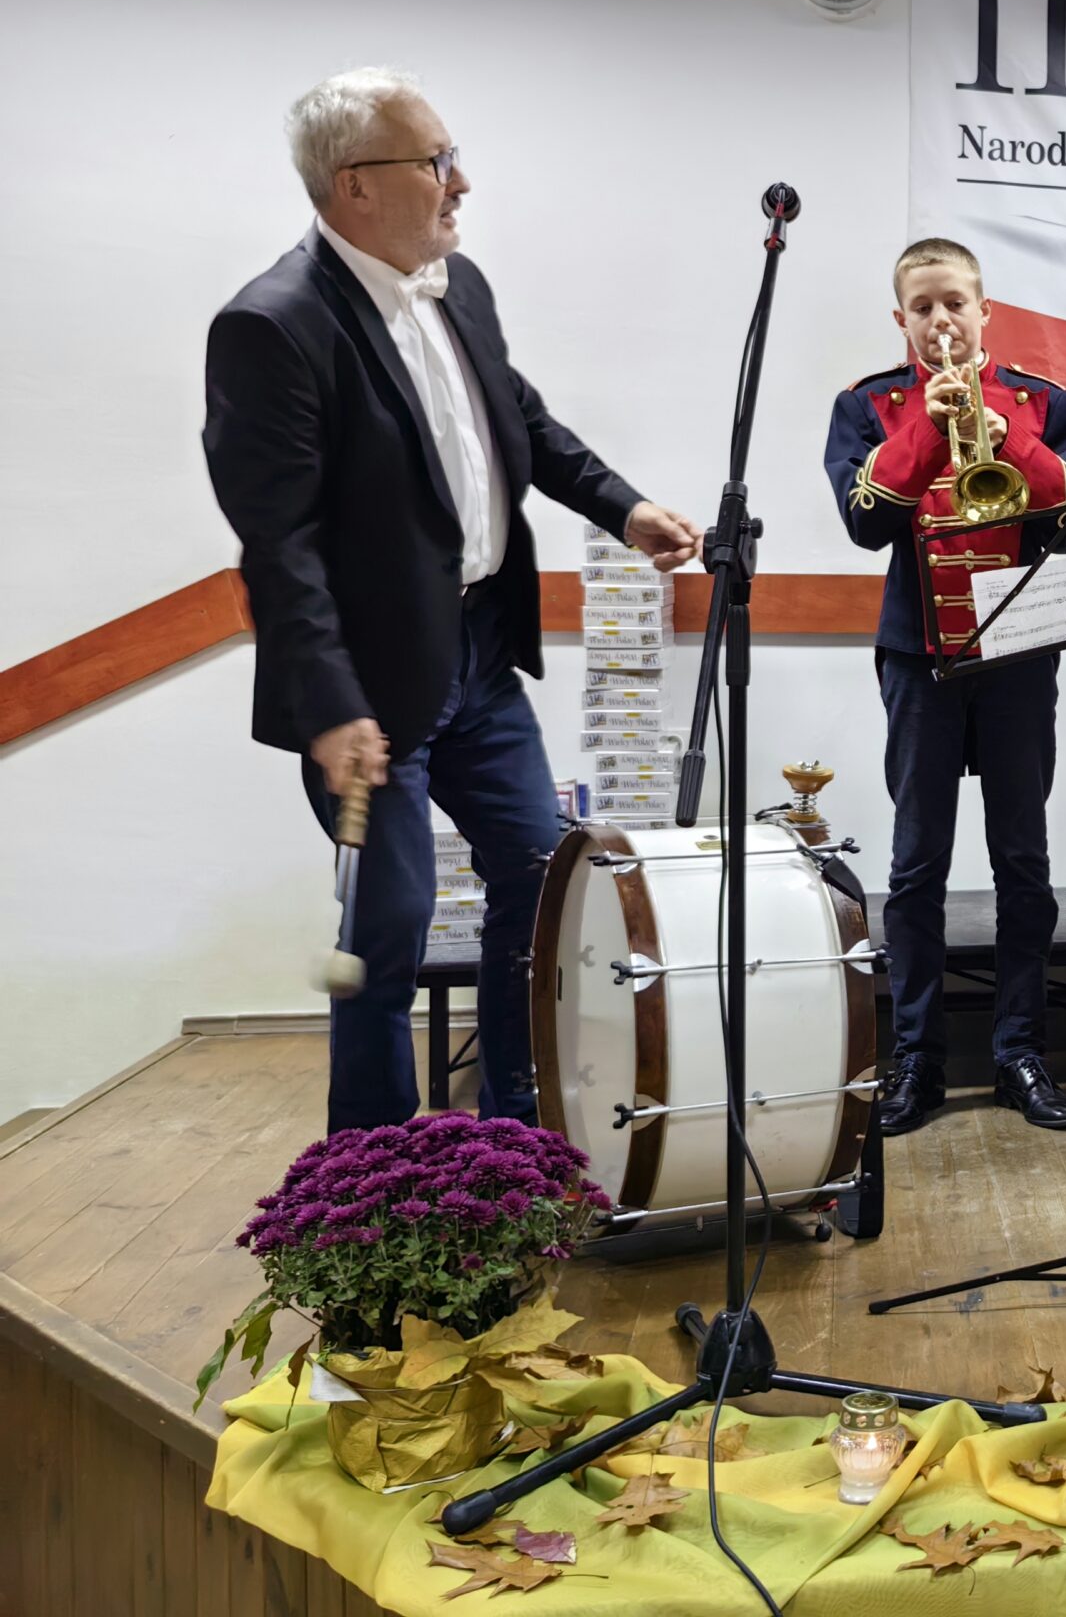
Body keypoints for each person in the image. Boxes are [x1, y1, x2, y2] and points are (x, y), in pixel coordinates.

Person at [203, 68, 701, 1133]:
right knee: (387, 930)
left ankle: (517, 1128)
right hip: (367, 686)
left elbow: (520, 419)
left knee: (543, 879)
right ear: (354, 184)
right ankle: (372, 1174)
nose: (460, 181)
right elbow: (279, 547)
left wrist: (624, 508)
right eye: (436, 162)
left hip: (478, 657)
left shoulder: (456, 284)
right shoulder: (271, 326)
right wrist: (331, 705)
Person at [823, 236, 1066, 1135]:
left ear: (986, 311)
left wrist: (1006, 437)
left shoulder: (1044, 402)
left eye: (955, 304)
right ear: (900, 319)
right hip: (918, 654)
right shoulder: (869, 405)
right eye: (923, 307)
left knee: (1023, 860)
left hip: (1019, 652)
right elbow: (865, 523)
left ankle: (1021, 1051)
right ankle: (917, 1058)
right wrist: (928, 429)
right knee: (917, 866)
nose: (941, 321)